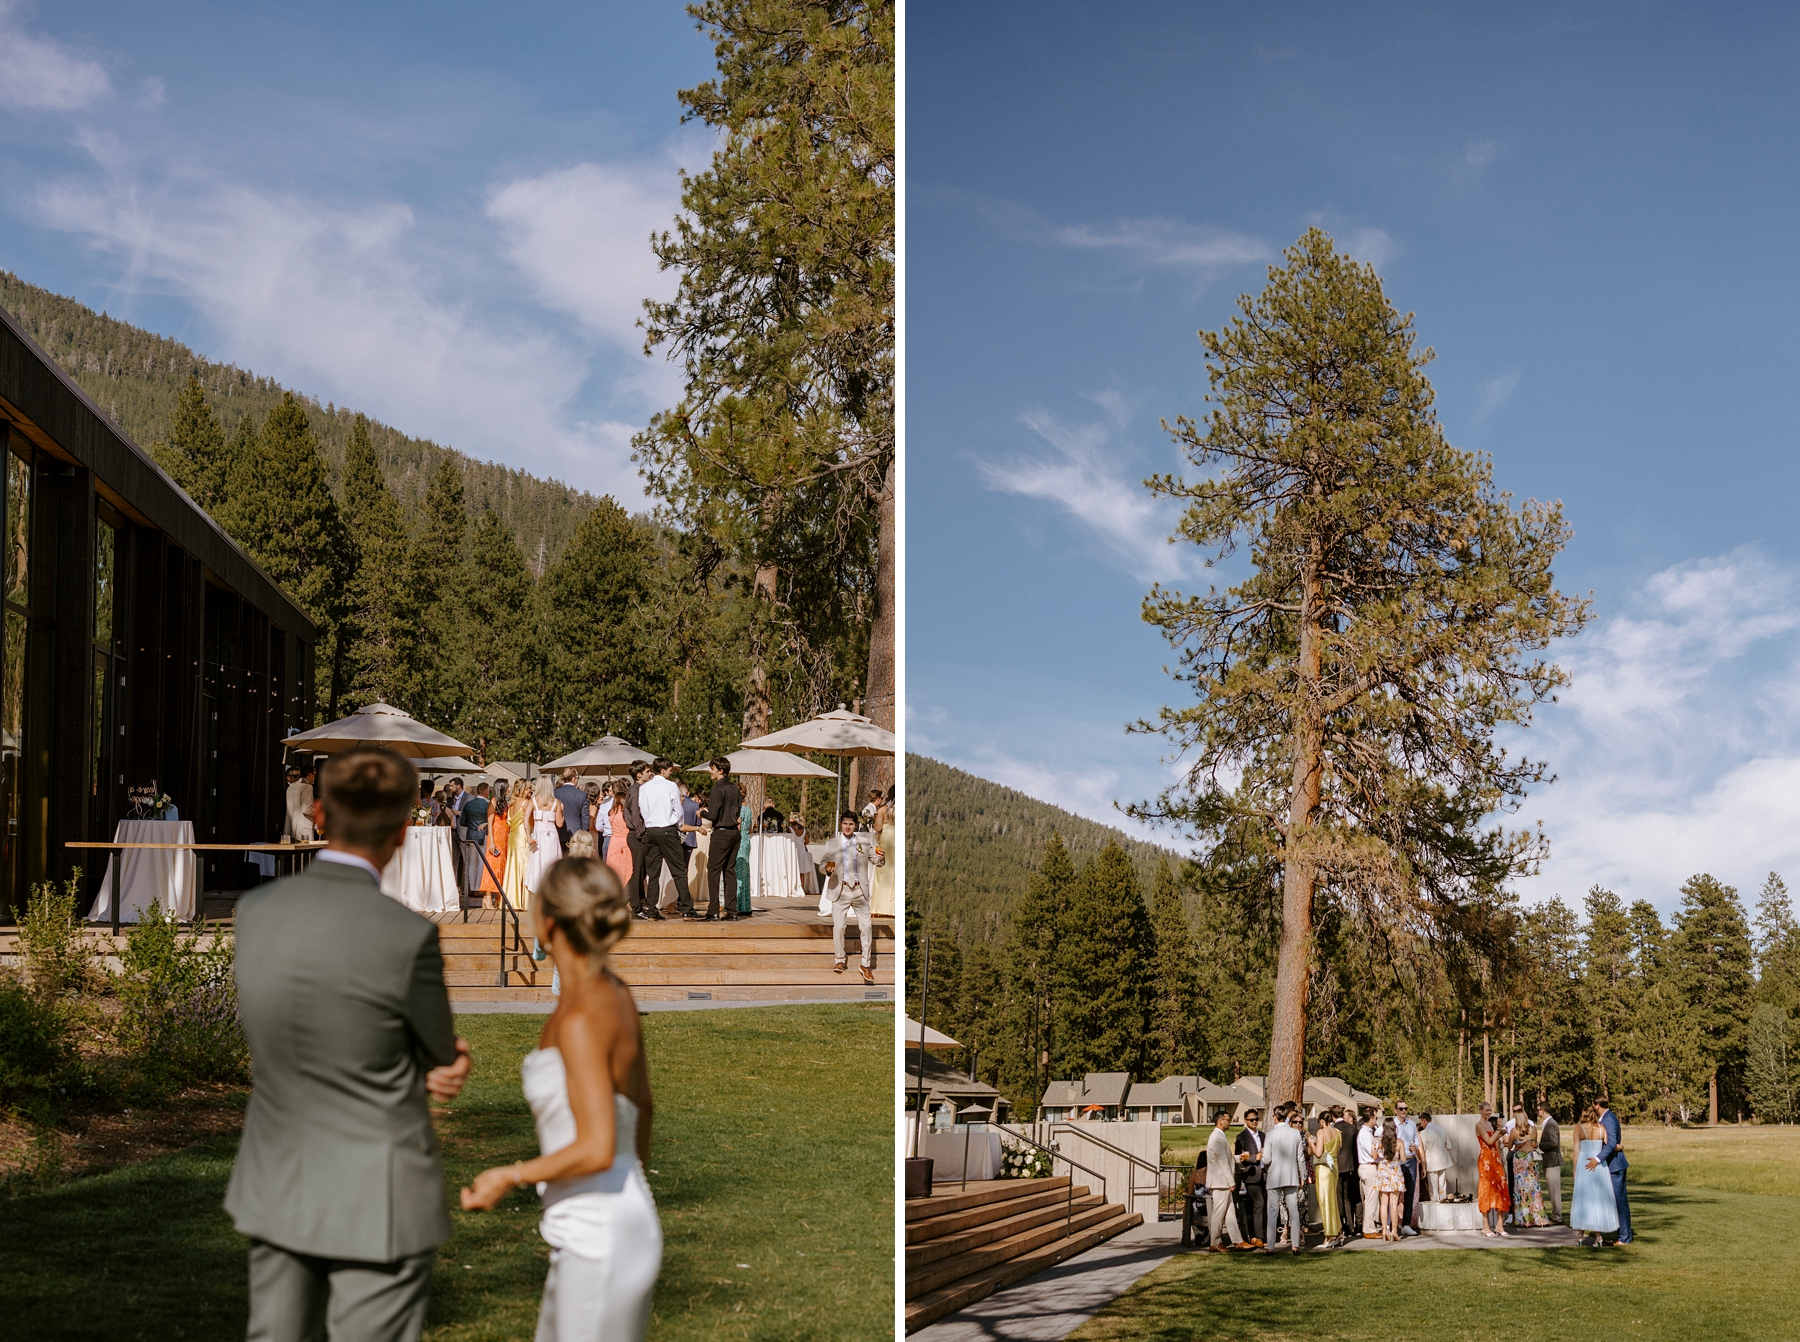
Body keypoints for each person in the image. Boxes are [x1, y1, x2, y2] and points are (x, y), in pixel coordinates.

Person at [225, 746, 472, 1342]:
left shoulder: (254, 912)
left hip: (277, 1178)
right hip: (378, 1191)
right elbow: (440, 1052)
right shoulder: (407, 934)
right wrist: (450, 1062)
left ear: (319, 816)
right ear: (403, 832)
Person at [460, 858, 661, 1339]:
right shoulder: (613, 993)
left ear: (548, 924)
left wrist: (508, 1176)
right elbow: (644, 1109)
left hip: (598, 1231)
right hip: (608, 1219)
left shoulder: (581, 1019)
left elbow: (596, 1146)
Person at [822, 810, 883, 984]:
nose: (848, 827)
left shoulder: (863, 842)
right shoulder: (832, 844)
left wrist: (882, 858)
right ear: (841, 824)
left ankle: (865, 965)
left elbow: (875, 861)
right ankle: (840, 960)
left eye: (851, 824)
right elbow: (822, 865)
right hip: (840, 891)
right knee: (839, 926)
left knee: (866, 927)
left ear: (855, 826)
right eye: (845, 823)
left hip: (859, 891)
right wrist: (827, 869)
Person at [637, 759, 699, 920]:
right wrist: (676, 824)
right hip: (667, 828)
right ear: (663, 770)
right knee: (678, 870)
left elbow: (642, 809)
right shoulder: (670, 786)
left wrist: (651, 821)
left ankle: (652, 910)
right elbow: (678, 810)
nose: (671, 773)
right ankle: (687, 908)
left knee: (653, 873)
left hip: (651, 830)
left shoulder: (644, 788)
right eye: (670, 770)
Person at [1570, 1103, 1620, 1246]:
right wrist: (1619, 1146)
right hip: (1599, 1165)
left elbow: (1576, 1150)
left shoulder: (1579, 1129)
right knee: (1598, 1198)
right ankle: (1598, 1236)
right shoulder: (1601, 1128)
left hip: (1584, 1164)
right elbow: (1610, 1145)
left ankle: (1580, 1235)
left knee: (1584, 1198)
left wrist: (1574, 1169)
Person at [1261, 1106, 1310, 1254]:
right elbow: (1300, 1158)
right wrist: (1303, 1176)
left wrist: (1262, 1155)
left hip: (1274, 1177)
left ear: (1275, 1117)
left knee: (1272, 1212)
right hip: (1291, 1176)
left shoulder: (1270, 1135)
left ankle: (1270, 1246)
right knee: (1294, 1211)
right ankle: (1295, 1245)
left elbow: (1267, 1159)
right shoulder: (1295, 1134)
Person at [700, 760, 743, 921]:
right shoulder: (735, 789)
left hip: (721, 833)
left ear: (721, 770)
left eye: (712, 769)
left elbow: (713, 816)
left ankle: (713, 910)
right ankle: (732, 911)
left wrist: (702, 813)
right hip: (734, 833)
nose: (710, 771)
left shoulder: (717, 789)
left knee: (713, 870)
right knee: (730, 872)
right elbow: (737, 811)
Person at [1590, 1096, 1632, 1245]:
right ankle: (1622, 1235)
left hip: (1615, 1166)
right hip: (1613, 1165)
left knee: (1620, 1202)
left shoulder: (1608, 1119)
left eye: (1593, 1104)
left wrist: (1598, 1158)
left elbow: (1612, 1143)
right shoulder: (1606, 1118)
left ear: (1597, 1105)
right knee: (1617, 1201)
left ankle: (1625, 1237)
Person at [1203, 1110, 1243, 1251]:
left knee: (1230, 1212)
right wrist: (1231, 1182)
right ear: (1220, 1121)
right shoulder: (1217, 1138)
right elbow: (1223, 1162)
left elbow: (1227, 1159)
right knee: (1219, 1213)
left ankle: (1238, 1241)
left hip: (1222, 1181)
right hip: (1220, 1182)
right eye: (1228, 1119)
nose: (1230, 1121)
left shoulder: (1220, 1137)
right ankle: (1215, 1242)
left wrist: (1239, 1158)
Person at [1507, 1105, 1551, 1227]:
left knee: (1521, 1189)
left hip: (1519, 1161)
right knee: (1534, 1187)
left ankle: (1524, 1218)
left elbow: (1509, 1146)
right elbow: (1534, 1143)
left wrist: (1517, 1146)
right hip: (1531, 1159)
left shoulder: (1514, 1131)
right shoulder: (1533, 1129)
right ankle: (1539, 1218)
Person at [1476, 1101, 1512, 1238]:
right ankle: (1485, 1226)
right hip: (1485, 1160)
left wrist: (1500, 1133)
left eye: (1490, 1110)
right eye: (1486, 1110)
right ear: (1480, 1110)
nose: (1489, 1112)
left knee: (1501, 1188)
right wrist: (1498, 1130)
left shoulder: (1489, 1124)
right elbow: (1489, 1141)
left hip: (1495, 1158)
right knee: (1487, 1189)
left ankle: (1499, 1224)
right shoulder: (1479, 1125)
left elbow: (1495, 1141)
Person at [603, 780, 638, 913]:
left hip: (614, 842)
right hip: (624, 841)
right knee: (627, 871)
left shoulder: (611, 809)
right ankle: (626, 900)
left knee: (616, 871)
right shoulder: (624, 809)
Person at [527, 776, 565, 898]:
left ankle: (537, 892)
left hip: (539, 835)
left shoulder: (533, 801)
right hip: (552, 836)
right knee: (551, 863)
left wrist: (528, 835)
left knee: (537, 864)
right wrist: (562, 811)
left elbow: (525, 819)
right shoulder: (556, 803)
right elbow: (560, 823)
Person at [1310, 1103, 1342, 1244]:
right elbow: (1338, 1151)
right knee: (1333, 1200)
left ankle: (1329, 1235)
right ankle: (1338, 1231)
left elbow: (1317, 1153)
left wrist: (1311, 1142)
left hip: (1323, 1168)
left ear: (1322, 1121)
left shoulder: (1321, 1132)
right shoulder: (1338, 1133)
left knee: (1324, 1201)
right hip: (1334, 1166)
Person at [1234, 1109, 1266, 1249]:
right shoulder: (1241, 1137)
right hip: (1251, 1175)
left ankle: (1261, 1233)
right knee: (1258, 1204)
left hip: (1265, 1174)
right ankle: (1257, 1237)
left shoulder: (1264, 1135)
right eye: (1251, 1119)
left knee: (1263, 1205)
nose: (1254, 1122)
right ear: (1245, 1121)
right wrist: (1254, 1158)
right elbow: (1238, 1158)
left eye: (1256, 1119)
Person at [623, 763, 651, 917]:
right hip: (637, 835)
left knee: (640, 872)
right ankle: (636, 907)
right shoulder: (636, 790)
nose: (650, 773)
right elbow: (635, 815)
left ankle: (624, 900)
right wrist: (641, 833)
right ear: (639, 774)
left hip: (636, 834)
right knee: (639, 871)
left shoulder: (637, 790)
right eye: (647, 771)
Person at [503, 780, 533, 911]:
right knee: (525, 867)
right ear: (522, 789)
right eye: (528, 789)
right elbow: (531, 821)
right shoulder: (526, 803)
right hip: (522, 837)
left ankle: (511, 900)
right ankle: (524, 901)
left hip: (513, 837)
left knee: (513, 867)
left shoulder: (511, 804)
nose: (530, 791)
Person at [1374, 1117, 1405, 1242]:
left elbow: (1374, 1156)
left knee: (1383, 1204)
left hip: (1383, 1172)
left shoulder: (1378, 1142)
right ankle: (1394, 1231)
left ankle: (1384, 1231)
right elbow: (1403, 1159)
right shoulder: (1399, 1142)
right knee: (1394, 1204)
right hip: (1395, 1173)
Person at [479, 783, 508, 909]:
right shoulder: (493, 802)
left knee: (502, 866)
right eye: (508, 787)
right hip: (495, 837)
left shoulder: (506, 803)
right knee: (492, 866)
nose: (510, 789)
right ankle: (488, 898)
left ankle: (498, 898)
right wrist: (492, 842)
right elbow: (490, 823)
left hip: (505, 839)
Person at [1394, 1100, 1420, 1235]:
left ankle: (1406, 1224)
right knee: (1394, 1193)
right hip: (1397, 1162)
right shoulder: (1392, 1124)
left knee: (1410, 1193)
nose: (1404, 1111)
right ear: (1396, 1110)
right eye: (1401, 1109)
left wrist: (1414, 1146)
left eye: (1405, 1108)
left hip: (1411, 1160)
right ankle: (1392, 1224)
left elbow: (1417, 1140)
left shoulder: (1411, 1124)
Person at [1333, 1105, 1360, 1234]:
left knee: (1339, 1197)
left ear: (1333, 1116)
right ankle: (1351, 1225)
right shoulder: (1352, 1129)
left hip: (1337, 1166)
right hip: (1350, 1166)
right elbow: (1356, 1149)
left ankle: (1341, 1224)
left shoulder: (1333, 1130)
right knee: (1348, 1197)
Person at [461, 783, 492, 894]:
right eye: (488, 790)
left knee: (472, 863)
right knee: (481, 863)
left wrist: (472, 826)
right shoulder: (488, 805)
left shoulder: (468, 804)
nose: (489, 793)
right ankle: (479, 888)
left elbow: (462, 822)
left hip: (471, 835)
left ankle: (472, 887)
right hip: (483, 836)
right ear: (485, 792)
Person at [1356, 1107, 1382, 1239]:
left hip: (1368, 1166)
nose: (1376, 1120)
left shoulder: (1368, 1132)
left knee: (1370, 1199)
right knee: (1371, 1199)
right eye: (1375, 1118)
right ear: (1371, 1119)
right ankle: (1369, 1229)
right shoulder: (1365, 1133)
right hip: (1369, 1167)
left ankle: (1369, 1227)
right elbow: (1372, 1152)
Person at [1538, 1102, 1564, 1223]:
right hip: (1548, 1161)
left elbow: (1553, 1142)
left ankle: (1557, 1217)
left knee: (1554, 1191)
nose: (1538, 1112)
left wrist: (1538, 1146)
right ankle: (1555, 1215)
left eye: (1539, 1110)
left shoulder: (1551, 1124)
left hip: (1553, 1161)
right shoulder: (1547, 1123)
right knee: (1551, 1190)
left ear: (1543, 1110)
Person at [870, 796, 896, 918]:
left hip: (887, 839)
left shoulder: (882, 810)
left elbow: (877, 828)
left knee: (882, 872)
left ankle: (879, 907)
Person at [1419, 1111, 1452, 1203]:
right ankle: (1444, 1203)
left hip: (1431, 1163)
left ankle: (1435, 1205)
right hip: (1443, 1161)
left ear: (1424, 1120)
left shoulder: (1424, 1133)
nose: (1421, 1125)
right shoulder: (1442, 1129)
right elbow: (1449, 1146)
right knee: (1442, 1185)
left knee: (1433, 1188)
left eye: (1421, 1122)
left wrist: (1423, 1166)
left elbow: (1423, 1150)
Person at [553, 768, 588, 852]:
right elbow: (585, 817)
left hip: (558, 832)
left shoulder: (555, 793)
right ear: (574, 778)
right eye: (578, 778)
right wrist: (585, 833)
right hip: (576, 833)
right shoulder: (582, 795)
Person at [282, 765, 315, 842]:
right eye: (314, 775)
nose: (315, 778)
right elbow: (306, 809)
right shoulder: (307, 787)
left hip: (290, 829)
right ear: (309, 774)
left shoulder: (291, 786)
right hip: (304, 831)